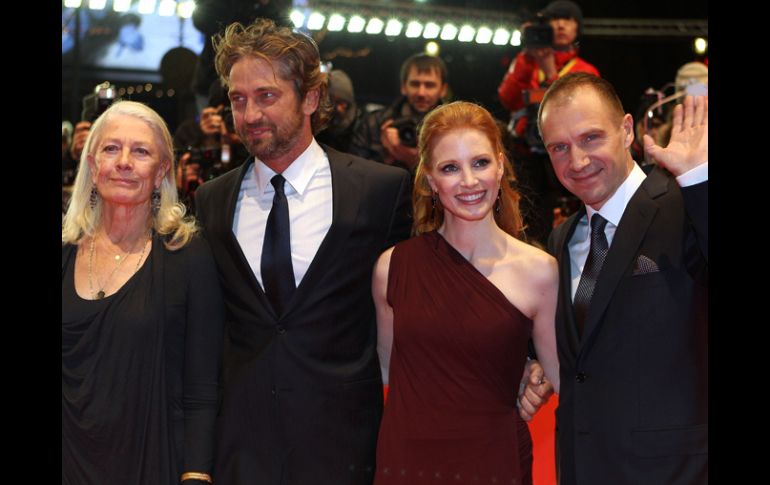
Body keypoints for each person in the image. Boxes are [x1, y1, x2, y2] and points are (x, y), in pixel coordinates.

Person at [192, 18, 412, 484]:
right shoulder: (210, 201)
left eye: (267, 96)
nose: (250, 114)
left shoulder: (380, 191)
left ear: (311, 97)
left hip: (346, 449)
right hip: (241, 453)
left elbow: (425, 299)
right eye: (238, 99)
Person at [372, 101, 559, 485]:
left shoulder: (540, 271)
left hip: (495, 461)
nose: (469, 182)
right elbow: (389, 369)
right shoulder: (392, 268)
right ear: (429, 180)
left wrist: (535, 374)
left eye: (480, 163)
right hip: (407, 462)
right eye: (450, 168)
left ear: (501, 165)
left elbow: (566, 379)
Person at [537, 72, 707, 484]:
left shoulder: (681, 204)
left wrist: (700, 181)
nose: (576, 161)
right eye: (559, 147)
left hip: (674, 471)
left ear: (627, 129)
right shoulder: (562, 239)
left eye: (590, 138)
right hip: (583, 467)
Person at [62, 101, 225, 484]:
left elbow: (202, 385)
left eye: (140, 151)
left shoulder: (187, 255)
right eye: (111, 148)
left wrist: (196, 473)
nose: (124, 162)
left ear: (161, 171)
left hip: (153, 461)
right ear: (91, 164)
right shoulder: (66, 252)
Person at [498, 0, 599, 245]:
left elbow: (585, 112)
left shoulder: (586, 70)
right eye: (555, 19)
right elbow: (507, 99)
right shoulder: (526, 63)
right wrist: (527, 58)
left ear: (577, 28)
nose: (561, 24)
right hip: (527, 156)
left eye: (568, 19)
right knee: (528, 220)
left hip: (568, 156)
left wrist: (550, 71)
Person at [350, 53, 449, 172]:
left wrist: (413, 160)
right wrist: (385, 156)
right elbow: (355, 173)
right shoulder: (374, 123)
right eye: (415, 84)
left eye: (429, 85)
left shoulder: (454, 128)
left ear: (443, 89)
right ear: (403, 86)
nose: (421, 93)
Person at [315, 69, 364, 154]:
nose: (339, 108)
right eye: (334, 102)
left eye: (343, 102)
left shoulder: (364, 125)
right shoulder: (322, 126)